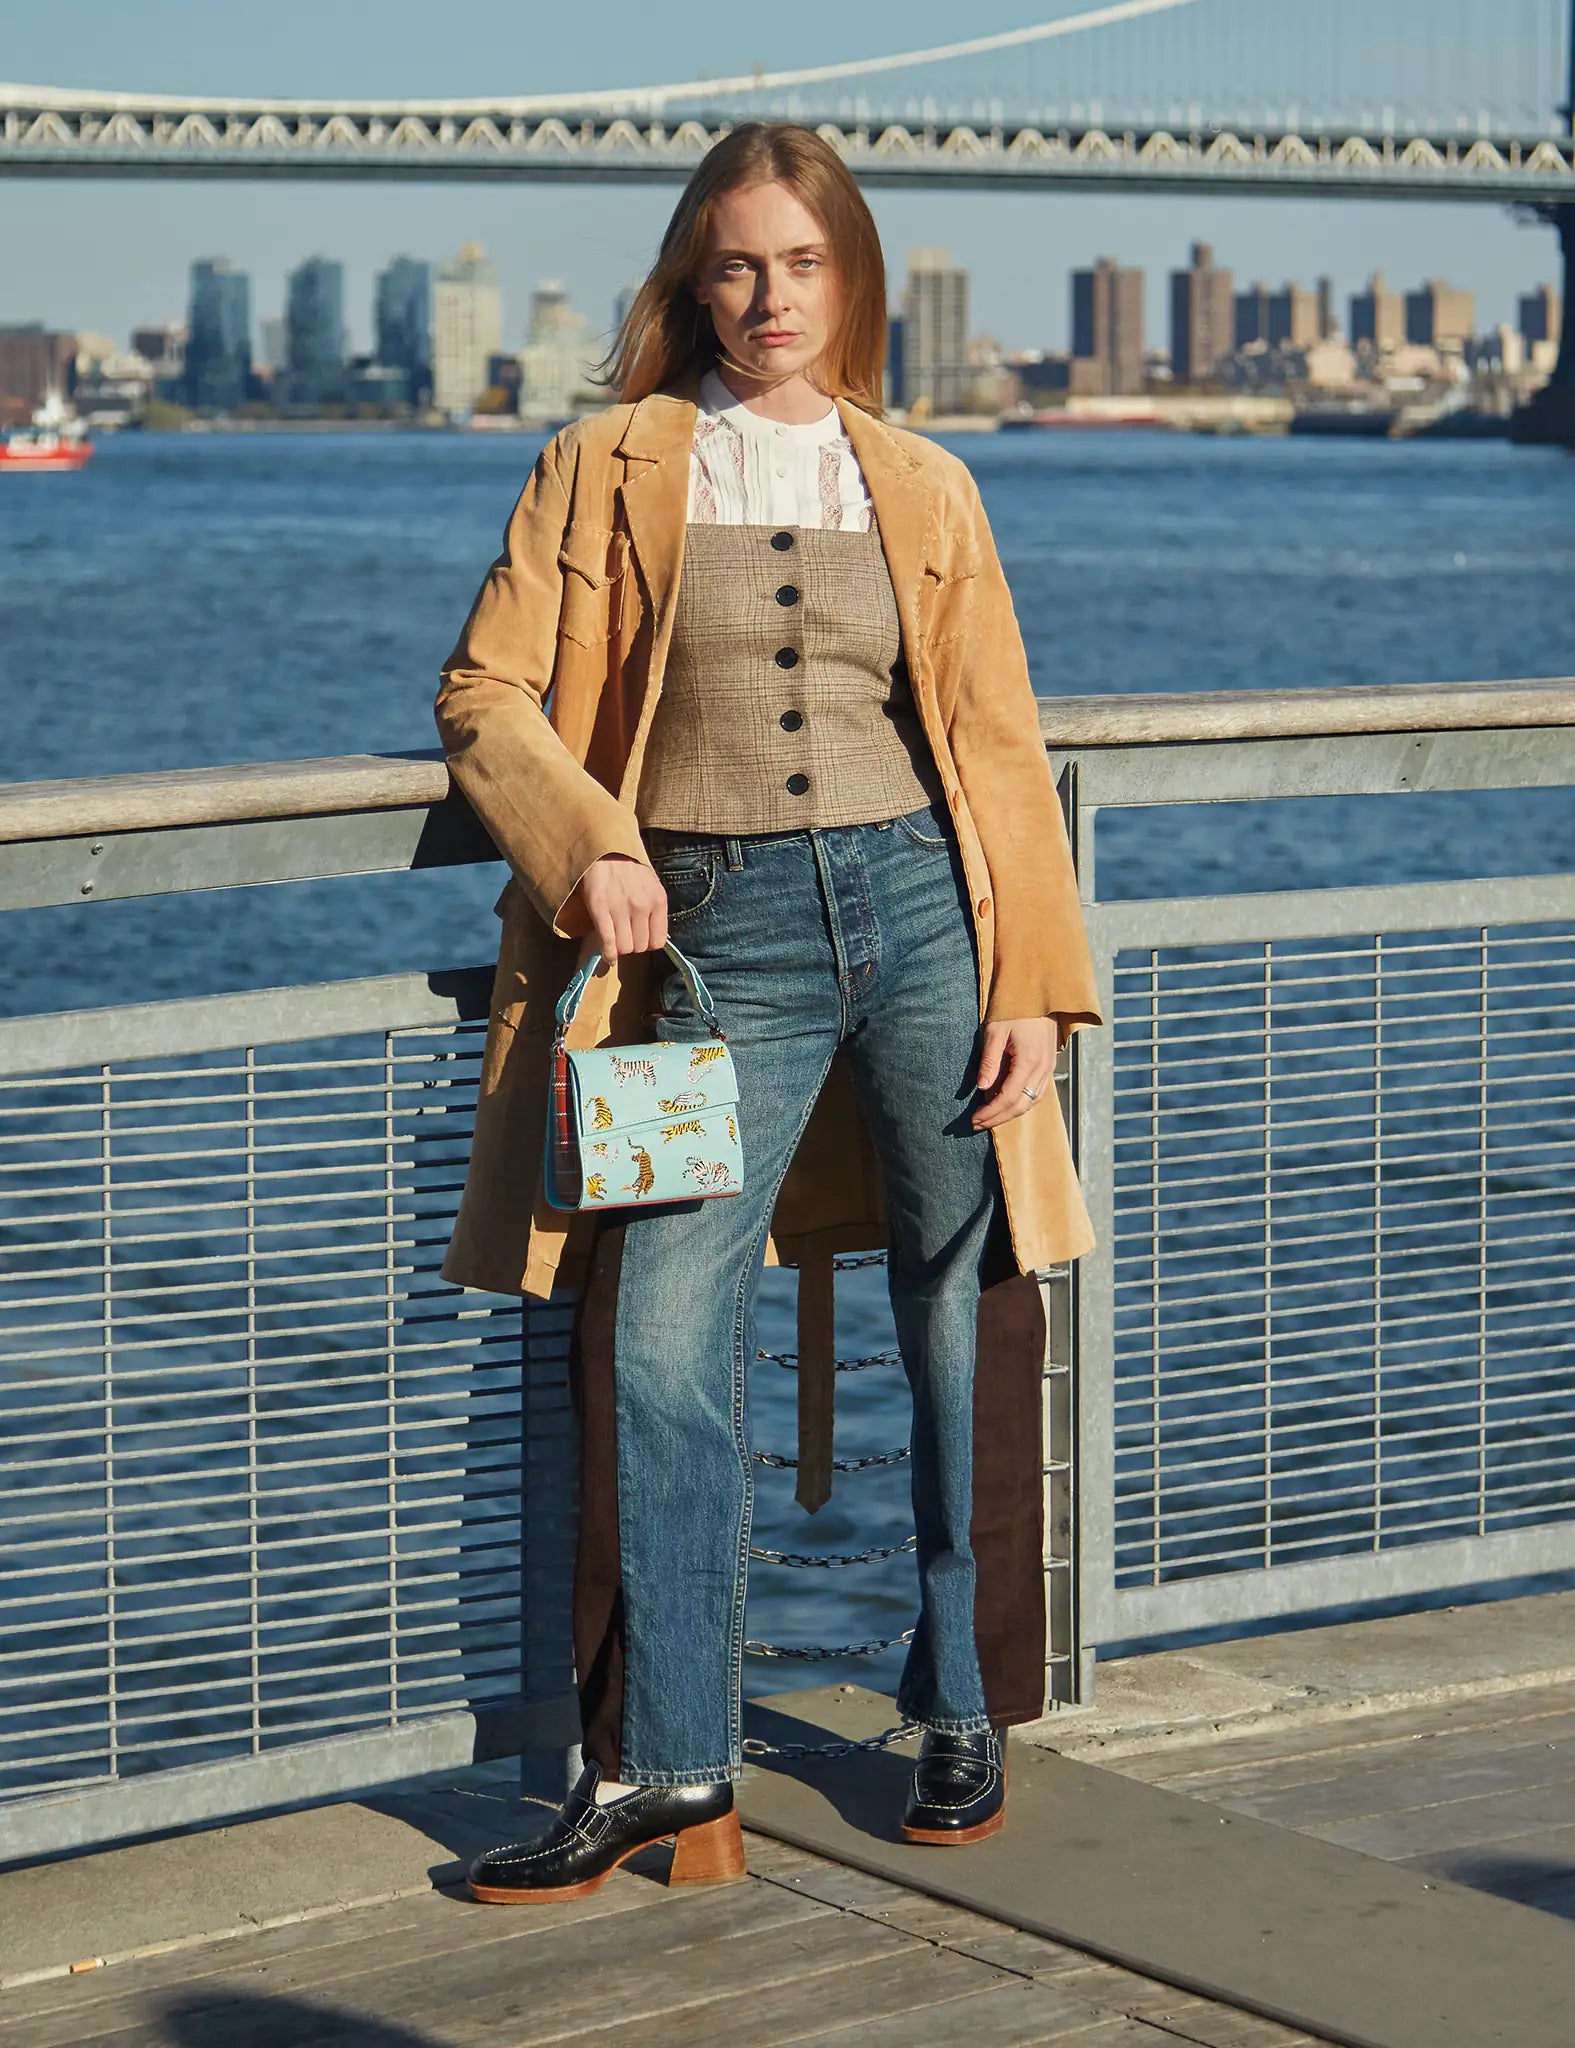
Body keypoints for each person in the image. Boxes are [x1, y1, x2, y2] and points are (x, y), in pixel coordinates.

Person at [435, 122, 1102, 1906]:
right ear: (690, 278)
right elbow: (487, 693)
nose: (768, 299)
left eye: (802, 264)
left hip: (918, 921)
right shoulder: (606, 465)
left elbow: (1004, 757)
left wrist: (1033, 989)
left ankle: (959, 1706)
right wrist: (590, 850)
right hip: (705, 949)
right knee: (662, 1335)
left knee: (958, 1311)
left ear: (848, 280)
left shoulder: (928, 485)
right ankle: (667, 1763)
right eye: (736, 264)